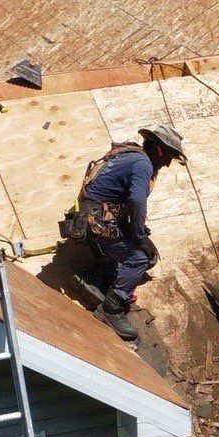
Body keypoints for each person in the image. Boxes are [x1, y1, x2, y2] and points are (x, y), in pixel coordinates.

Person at [74, 124, 185, 339]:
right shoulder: (143, 164)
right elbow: (136, 200)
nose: (168, 164)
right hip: (95, 221)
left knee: (150, 256)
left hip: (97, 213)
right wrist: (139, 236)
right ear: (160, 151)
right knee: (141, 259)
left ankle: (94, 277)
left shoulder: (132, 154)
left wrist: (137, 231)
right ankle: (110, 308)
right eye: (169, 157)